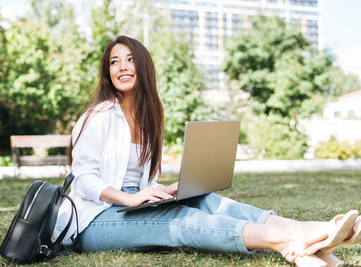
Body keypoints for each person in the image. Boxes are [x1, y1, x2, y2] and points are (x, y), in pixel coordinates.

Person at [55, 35, 361, 267]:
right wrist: (129, 197)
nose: (121, 67)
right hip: (94, 220)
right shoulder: (99, 115)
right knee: (174, 221)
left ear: (143, 66)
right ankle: (307, 235)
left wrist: (158, 190)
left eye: (130, 59)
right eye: (114, 61)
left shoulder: (151, 117)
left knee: (203, 198)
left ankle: (301, 243)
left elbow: (138, 179)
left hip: (131, 204)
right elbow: (82, 178)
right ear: (107, 71)